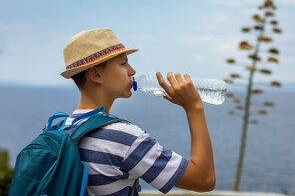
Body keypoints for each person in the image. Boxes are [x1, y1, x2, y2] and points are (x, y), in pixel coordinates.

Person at [60, 28, 215, 195]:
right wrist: (194, 108)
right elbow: (204, 179)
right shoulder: (122, 137)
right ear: (96, 74)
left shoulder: (63, 128)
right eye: (123, 63)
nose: (132, 71)